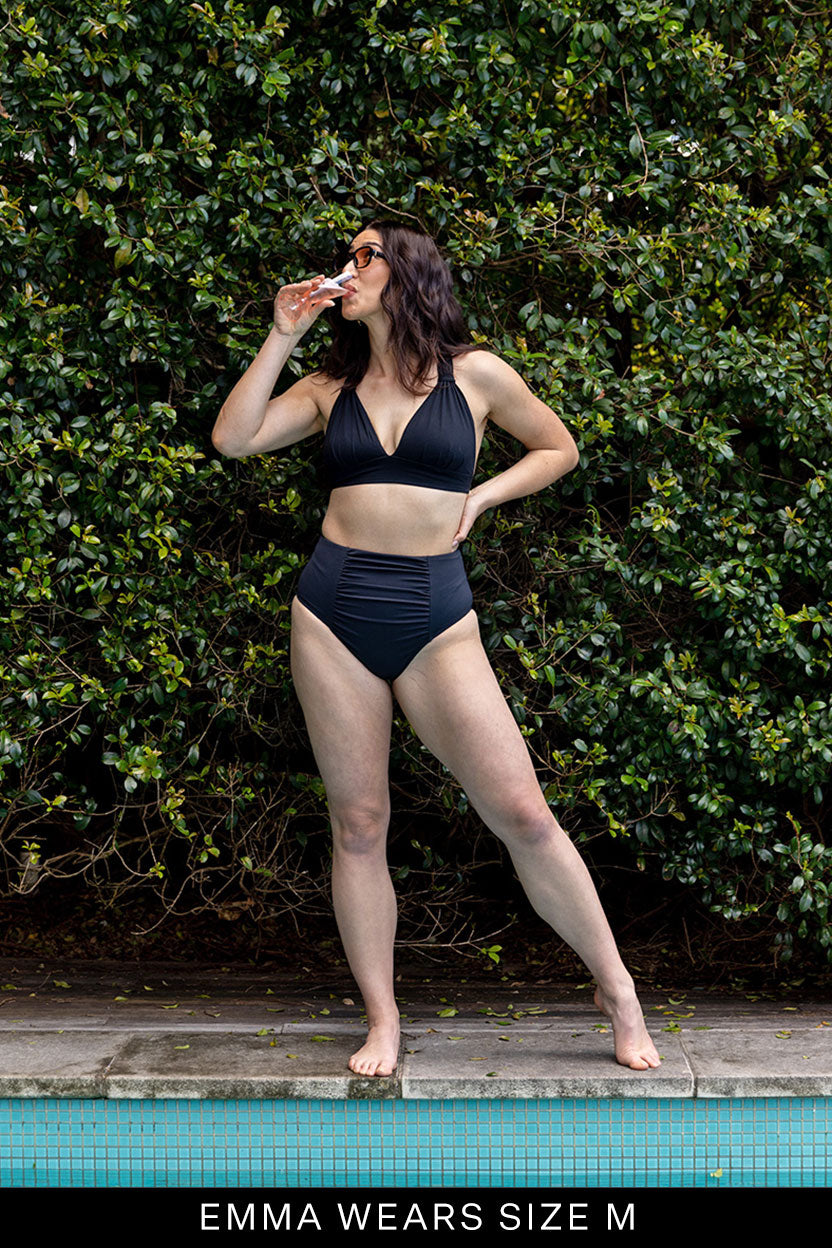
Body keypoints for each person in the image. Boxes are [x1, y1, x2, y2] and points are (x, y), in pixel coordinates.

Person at [211, 219, 661, 1077]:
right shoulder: (325, 386)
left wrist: (483, 498)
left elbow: (558, 448)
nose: (349, 268)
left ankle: (617, 989)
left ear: (408, 272)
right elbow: (233, 440)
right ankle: (383, 1019)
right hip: (333, 612)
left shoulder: (476, 375)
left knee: (524, 815)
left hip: (435, 615)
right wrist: (281, 335)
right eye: (348, 255)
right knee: (359, 824)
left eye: (365, 254)